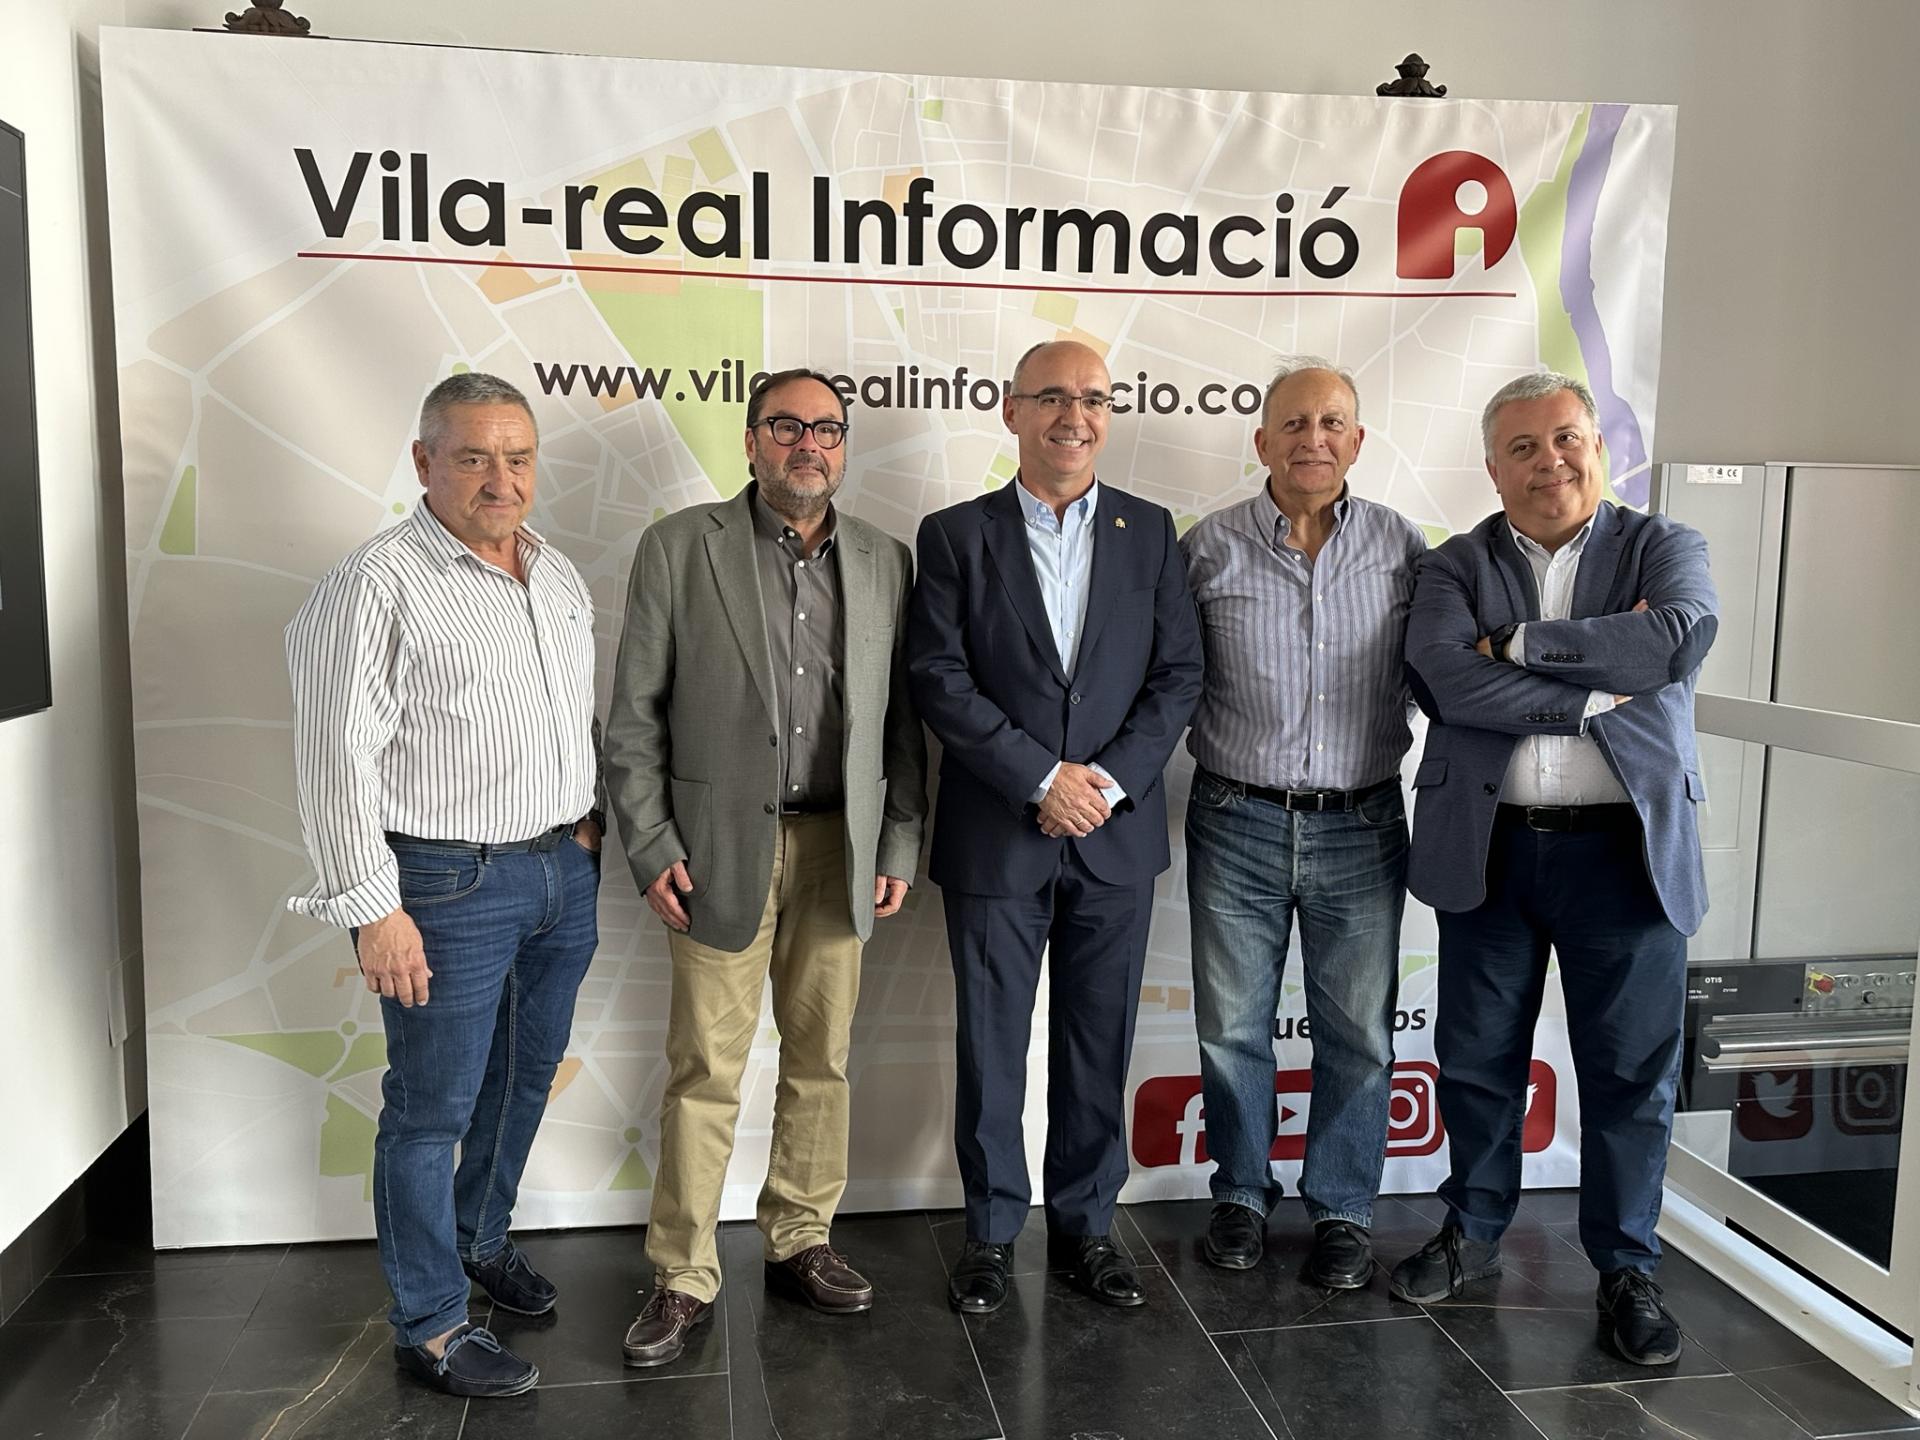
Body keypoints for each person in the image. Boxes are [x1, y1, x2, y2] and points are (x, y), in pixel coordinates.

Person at [1388, 372, 1718, 1367]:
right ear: (1493, 468)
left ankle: (1627, 1268)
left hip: (1627, 853)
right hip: (1491, 846)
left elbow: (1675, 639)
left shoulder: (1665, 547)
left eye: (1567, 438)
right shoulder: (1454, 564)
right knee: (1478, 1058)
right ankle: (1473, 1230)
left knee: (1630, 1074)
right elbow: (1445, 677)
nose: (1550, 462)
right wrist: (1589, 690)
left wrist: (1519, 645)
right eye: (1523, 448)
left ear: (1599, 449)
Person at [286, 371, 604, 1398]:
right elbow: (332, 760)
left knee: (524, 1077)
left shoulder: (555, 574)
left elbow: (569, 718)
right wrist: (373, 909)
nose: (500, 479)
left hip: (560, 870)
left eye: (517, 457)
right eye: (472, 458)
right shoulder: (374, 584)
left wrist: (585, 829)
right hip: (442, 883)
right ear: (424, 462)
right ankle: (429, 1322)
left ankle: (479, 1237)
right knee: (430, 1111)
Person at [604, 367, 928, 1367]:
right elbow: (633, 716)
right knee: (707, 1068)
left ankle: (800, 1237)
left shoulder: (884, 559)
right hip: (713, 852)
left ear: (844, 445)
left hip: (842, 846)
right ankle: (683, 1273)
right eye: (786, 426)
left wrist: (898, 840)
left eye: (826, 428)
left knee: (822, 1059)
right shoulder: (679, 547)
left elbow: (901, 721)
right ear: (750, 441)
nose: (808, 445)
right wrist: (652, 844)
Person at [907, 339, 1204, 1315]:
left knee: (1097, 1042)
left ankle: (1086, 1228)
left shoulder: (1150, 531)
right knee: (993, 1046)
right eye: (1052, 398)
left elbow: (1178, 677)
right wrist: (1040, 777)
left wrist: (1104, 783)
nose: (1075, 416)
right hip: (1000, 833)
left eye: (1094, 400)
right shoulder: (955, 535)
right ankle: (991, 1234)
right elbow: (938, 675)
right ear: (1013, 411)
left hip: (1114, 836)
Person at [1179, 357, 1426, 1284]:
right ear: (1262, 441)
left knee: (1357, 1033)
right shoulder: (1206, 548)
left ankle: (1344, 1209)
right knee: (1231, 1028)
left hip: (1362, 823)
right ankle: (1241, 1194)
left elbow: (1441, 666)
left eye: (1330, 424)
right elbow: (1168, 677)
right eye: (1292, 423)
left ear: (1356, 442)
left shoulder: (1404, 548)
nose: (1311, 440)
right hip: (1234, 817)